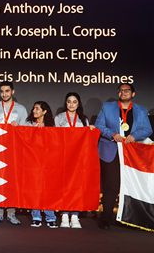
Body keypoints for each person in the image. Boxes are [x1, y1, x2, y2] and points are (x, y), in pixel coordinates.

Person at [94, 83, 152, 230]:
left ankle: (128, 218)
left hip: (131, 154)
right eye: (121, 90)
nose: (123, 92)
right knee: (111, 185)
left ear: (133, 94)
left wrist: (134, 136)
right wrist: (112, 134)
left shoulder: (141, 110)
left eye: (127, 90)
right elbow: (99, 125)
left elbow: (147, 129)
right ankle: (106, 218)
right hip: (111, 151)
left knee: (131, 184)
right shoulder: (107, 107)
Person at [0, 81, 27, 225]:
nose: (4, 94)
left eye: (7, 91)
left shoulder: (21, 109)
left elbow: (27, 130)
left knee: (12, 181)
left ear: (13, 92)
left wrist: (19, 127)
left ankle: (11, 213)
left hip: (15, 150)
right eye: (2, 91)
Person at [54, 92, 91, 229]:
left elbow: (87, 139)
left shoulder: (84, 119)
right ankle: (64, 214)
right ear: (66, 103)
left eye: (74, 102)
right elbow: (55, 137)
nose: (71, 104)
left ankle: (75, 215)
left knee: (77, 185)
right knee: (64, 185)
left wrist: (91, 130)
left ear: (78, 104)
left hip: (78, 158)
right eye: (69, 101)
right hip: (63, 156)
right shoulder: (59, 118)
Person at [26, 101, 58, 229]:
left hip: (48, 162)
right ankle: (36, 216)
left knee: (48, 189)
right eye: (34, 108)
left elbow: (56, 144)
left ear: (44, 111)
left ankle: (51, 216)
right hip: (32, 162)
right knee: (35, 189)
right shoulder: (28, 125)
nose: (34, 111)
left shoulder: (51, 127)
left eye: (37, 109)